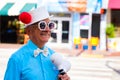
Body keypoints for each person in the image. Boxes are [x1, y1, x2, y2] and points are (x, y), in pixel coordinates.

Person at [4, 6, 70, 80]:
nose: (47, 29)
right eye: (42, 25)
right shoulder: (17, 59)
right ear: (29, 31)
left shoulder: (54, 56)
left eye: (50, 25)